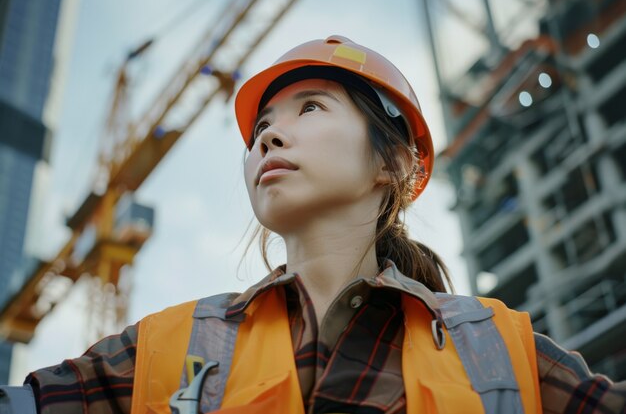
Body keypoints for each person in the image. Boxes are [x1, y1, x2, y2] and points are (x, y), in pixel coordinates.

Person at [1, 35, 625, 414]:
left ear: (393, 162)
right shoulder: (165, 352)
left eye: (311, 107)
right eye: (261, 125)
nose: (269, 133)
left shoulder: (500, 352)